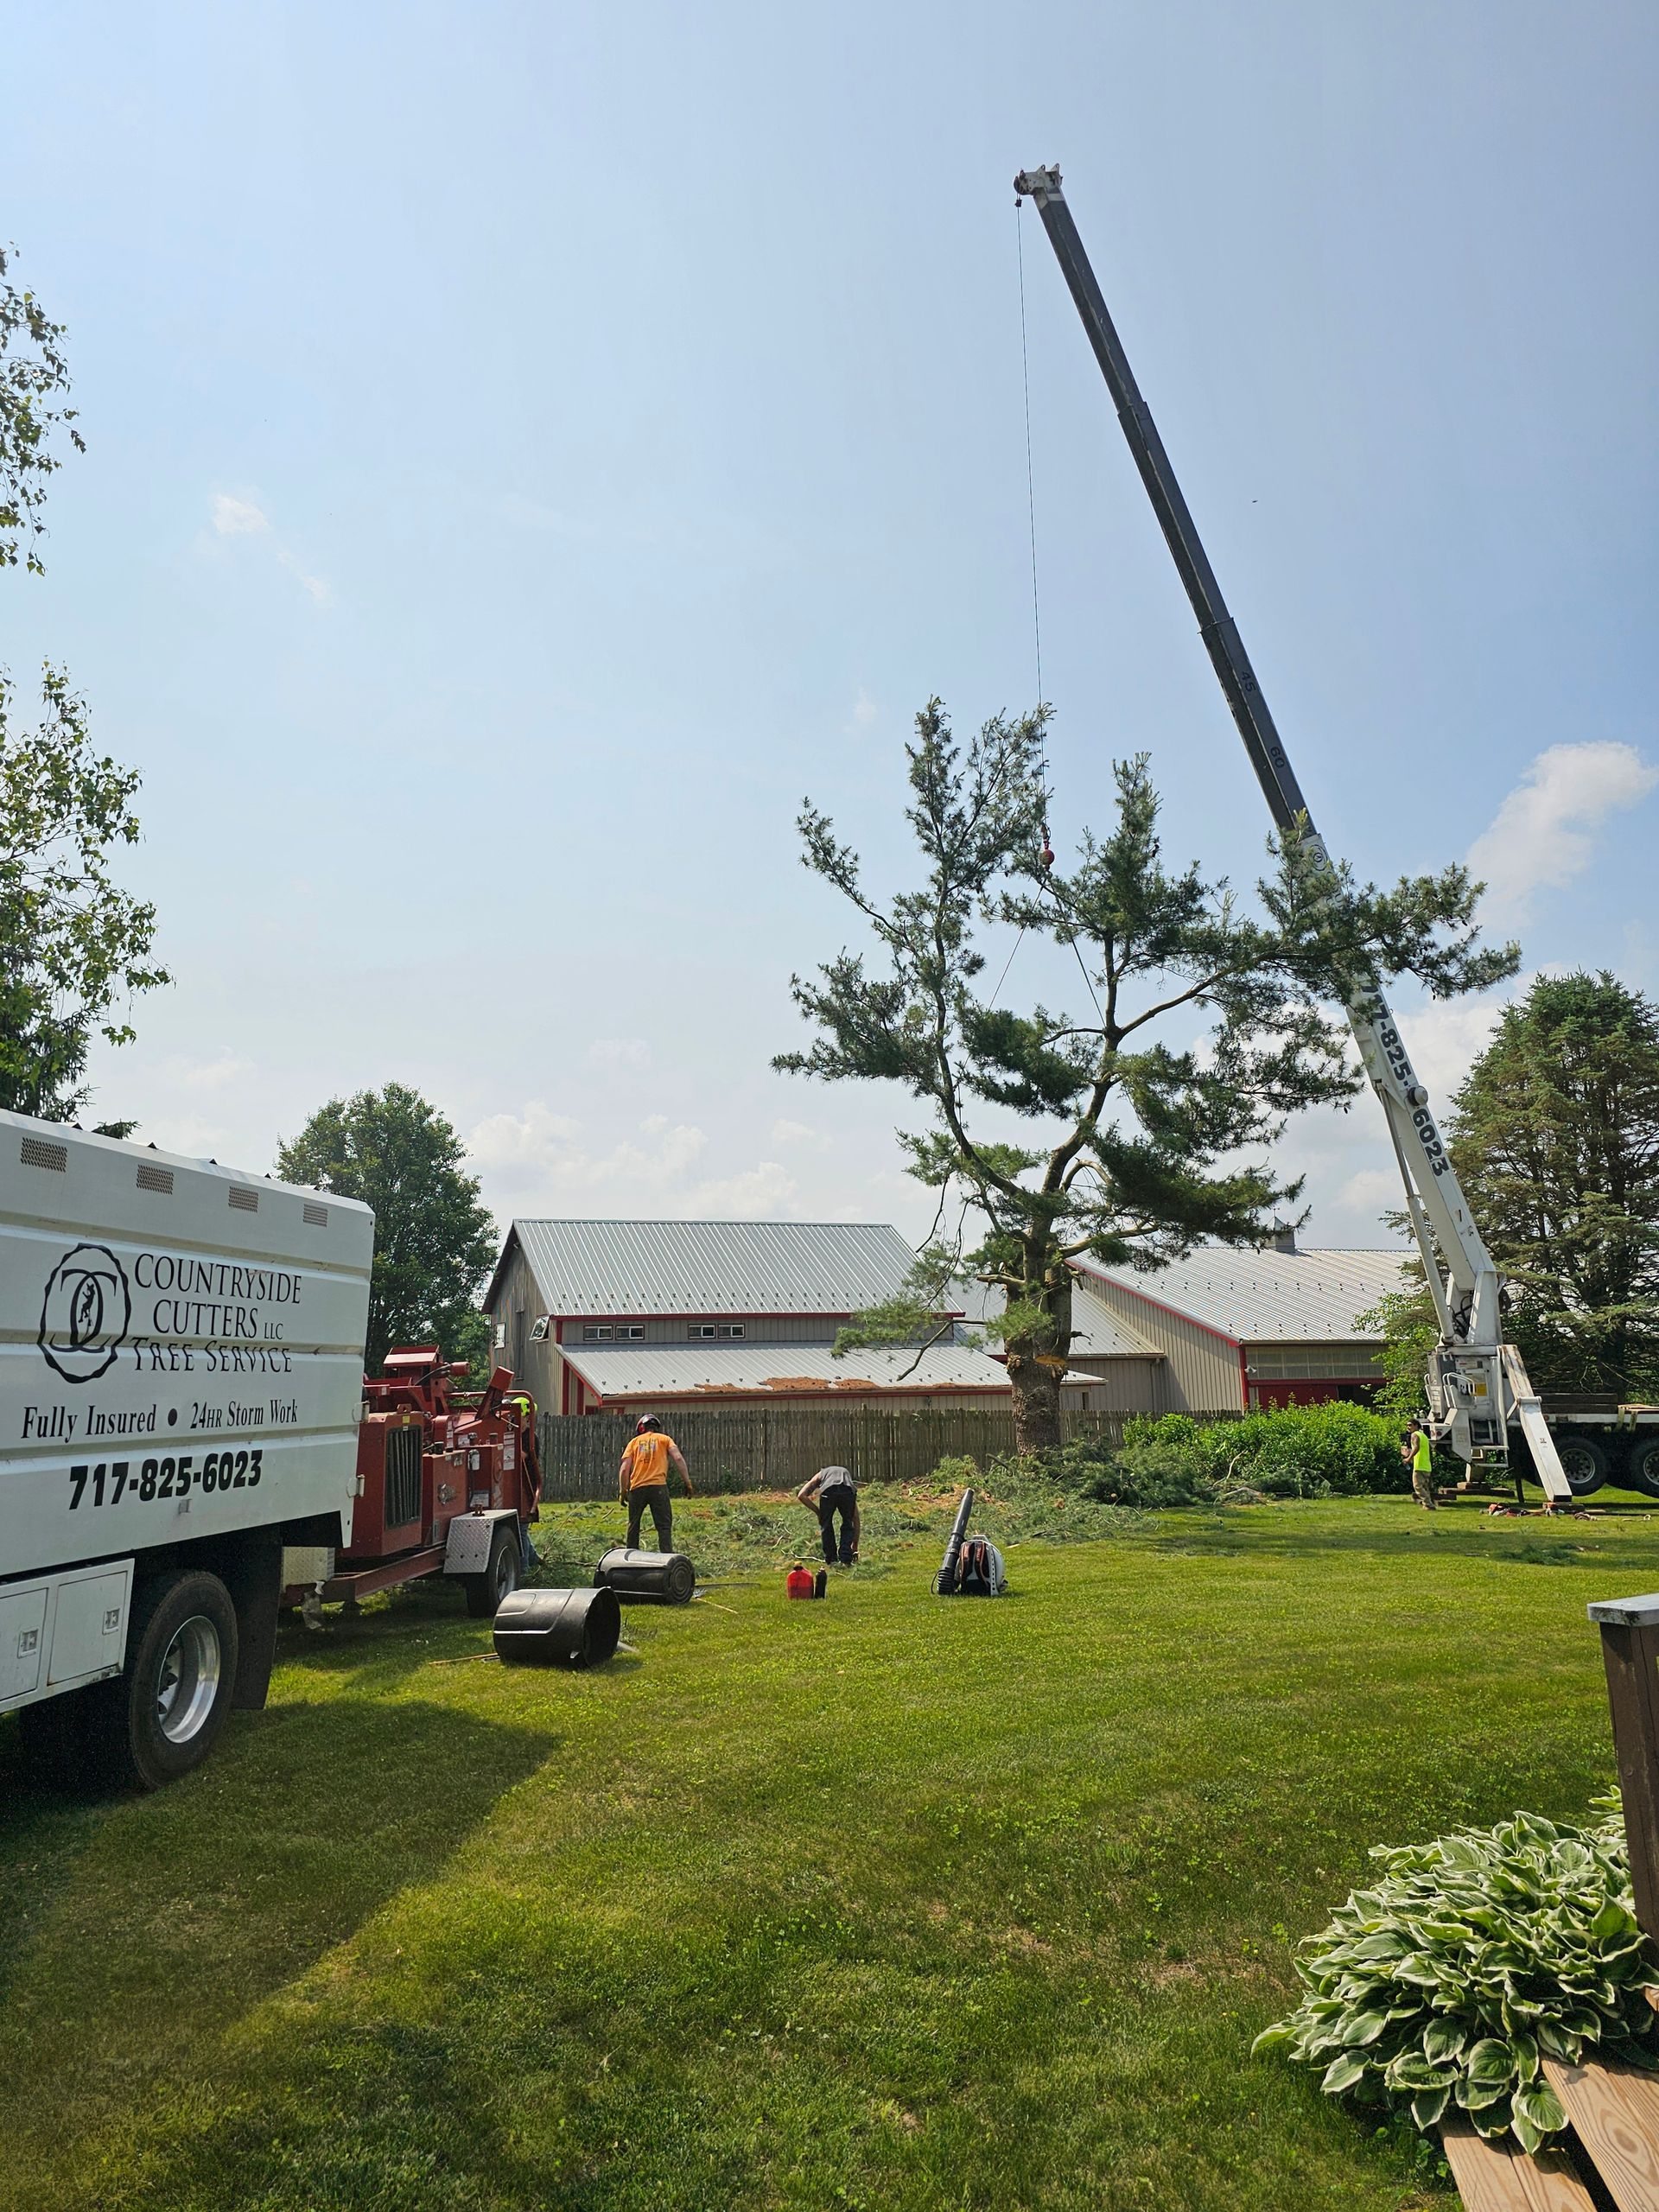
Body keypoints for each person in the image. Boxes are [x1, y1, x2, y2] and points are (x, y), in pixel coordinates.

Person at [619, 1414, 692, 1551]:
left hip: (637, 1488)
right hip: (658, 1487)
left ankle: (631, 1559)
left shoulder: (634, 1442)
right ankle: (667, 1559)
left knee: (633, 1525)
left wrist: (623, 1491)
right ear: (656, 1427)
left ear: (641, 1428)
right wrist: (688, 1483)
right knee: (664, 1526)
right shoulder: (665, 1439)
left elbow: (624, 1469)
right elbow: (678, 1459)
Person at [797, 1464, 860, 1566]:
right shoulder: (846, 1479)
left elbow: (801, 1495)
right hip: (847, 1494)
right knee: (848, 1523)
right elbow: (855, 1519)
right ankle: (846, 1559)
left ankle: (831, 1560)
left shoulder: (821, 1474)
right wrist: (855, 1547)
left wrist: (819, 1513)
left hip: (828, 1493)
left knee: (826, 1525)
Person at [1402, 1418, 1437, 1510]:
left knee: (1417, 1486)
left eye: (1410, 1425)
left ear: (1416, 1426)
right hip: (1427, 1465)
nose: (1408, 1427)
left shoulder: (1415, 1435)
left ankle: (1428, 1504)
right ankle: (1427, 1505)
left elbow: (1416, 1448)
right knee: (1425, 1487)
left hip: (1419, 1465)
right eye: (1407, 1425)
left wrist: (1408, 1458)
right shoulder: (1424, 1436)